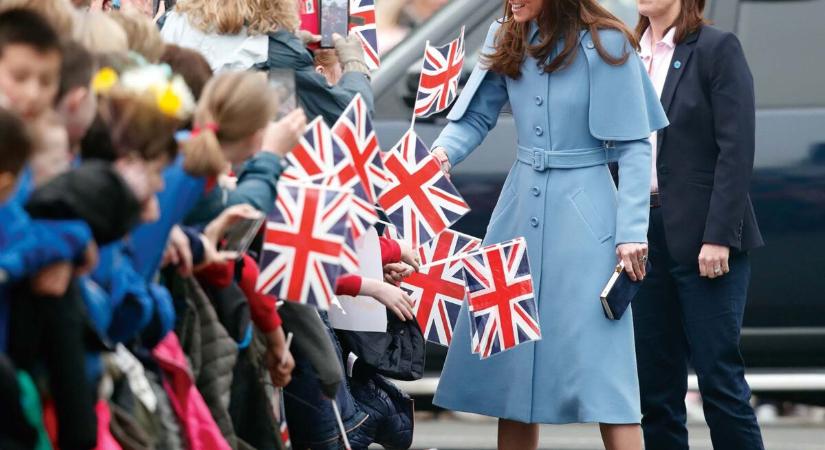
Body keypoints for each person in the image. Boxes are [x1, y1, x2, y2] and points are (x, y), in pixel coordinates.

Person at [429, 0, 668, 448]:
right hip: (515, 215)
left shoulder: (608, 43)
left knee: (605, 372)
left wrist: (633, 232)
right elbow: (476, 116)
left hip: (587, 220)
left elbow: (637, 145)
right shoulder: (507, 35)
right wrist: (443, 154)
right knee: (511, 371)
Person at [630, 0, 766, 448]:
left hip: (705, 236)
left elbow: (737, 148)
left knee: (718, 380)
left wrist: (719, 237)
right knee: (655, 388)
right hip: (642, 237)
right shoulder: (627, 53)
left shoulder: (716, 48)